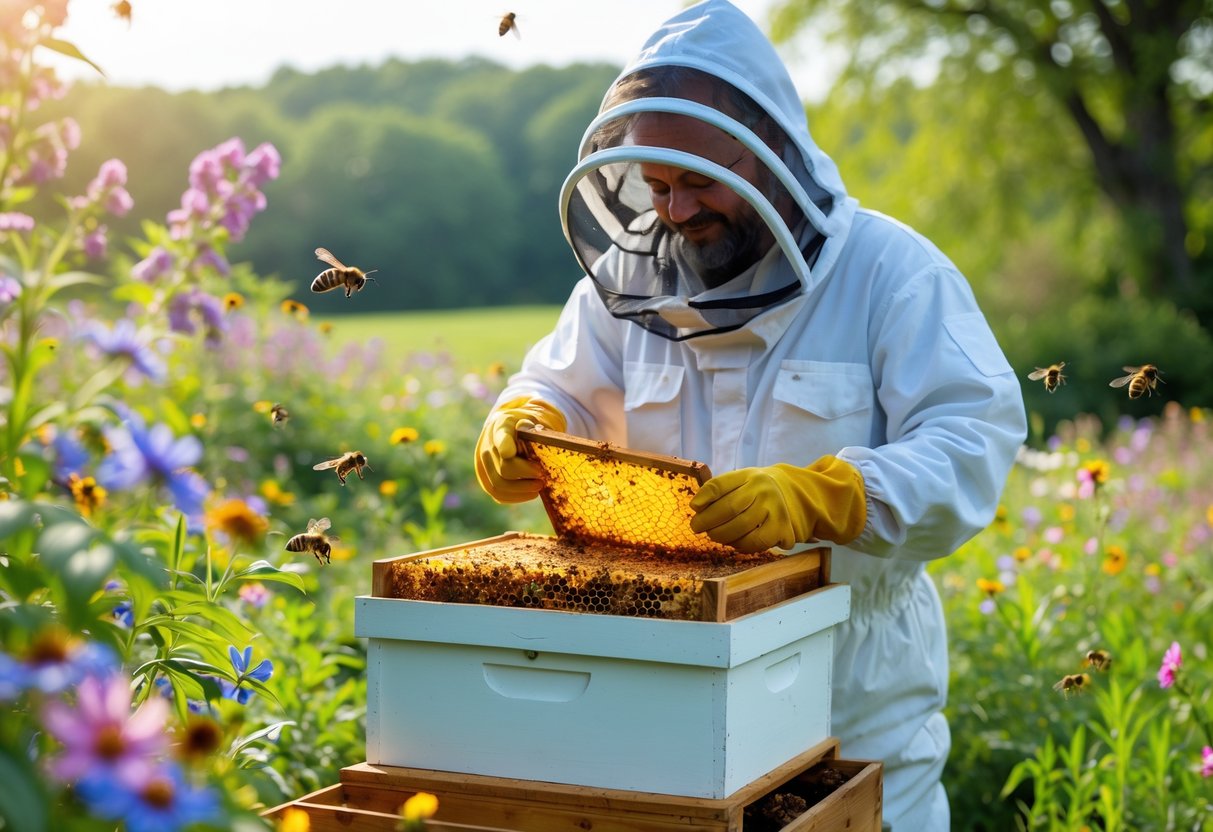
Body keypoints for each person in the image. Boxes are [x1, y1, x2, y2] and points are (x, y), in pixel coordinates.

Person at [473, 0, 1027, 828]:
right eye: (656, 185)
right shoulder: (627, 284)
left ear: (770, 159)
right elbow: (559, 387)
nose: (674, 211)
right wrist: (522, 419)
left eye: (699, 182)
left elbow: (973, 437)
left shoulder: (890, 273)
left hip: (857, 710)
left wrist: (831, 494)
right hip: (664, 710)